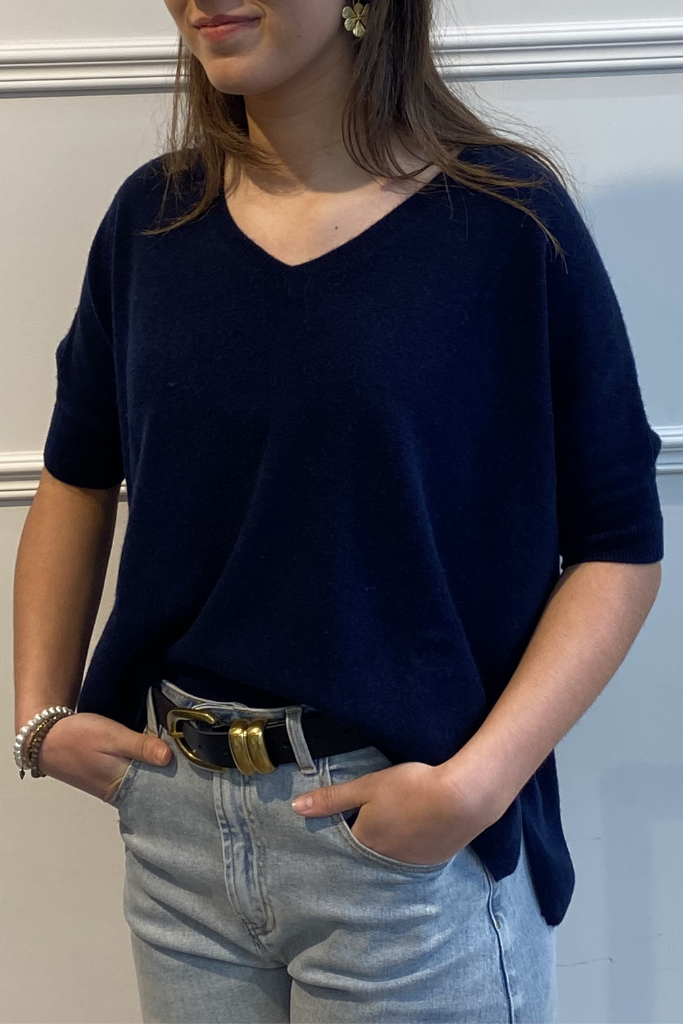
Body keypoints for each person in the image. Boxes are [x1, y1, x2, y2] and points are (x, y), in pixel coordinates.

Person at [13, 0, 664, 1021]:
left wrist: (473, 788)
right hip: (177, 840)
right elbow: (75, 473)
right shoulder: (151, 220)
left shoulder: (503, 222)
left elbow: (617, 544)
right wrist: (40, 715)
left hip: (402, 853)